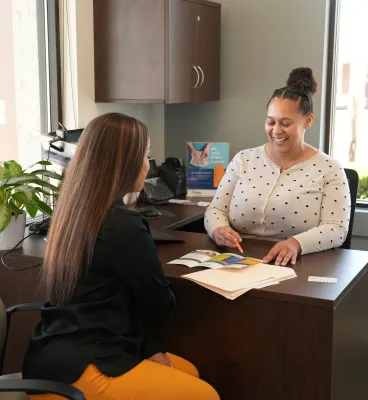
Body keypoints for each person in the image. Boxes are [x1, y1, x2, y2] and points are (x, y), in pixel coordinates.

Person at [22, 113, 219, 400]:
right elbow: (160, 304)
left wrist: (151, 348)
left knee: (188, 373)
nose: (148, 167)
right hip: (81, 367)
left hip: (51, 355)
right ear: (124, 163)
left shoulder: (72, 212)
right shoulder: (122, 224)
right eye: (145, 156)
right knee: (206, 395)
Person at [204, 68, 351, 267]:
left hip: (297, 263)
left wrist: (295, 244)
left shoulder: (329, 169)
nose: (276, 130)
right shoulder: (244, 159)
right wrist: (218, 229)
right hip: (238, 260)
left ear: (308, 121)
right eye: (270, 122)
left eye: (286, 123)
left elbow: (336, 228)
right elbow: (216, 209)